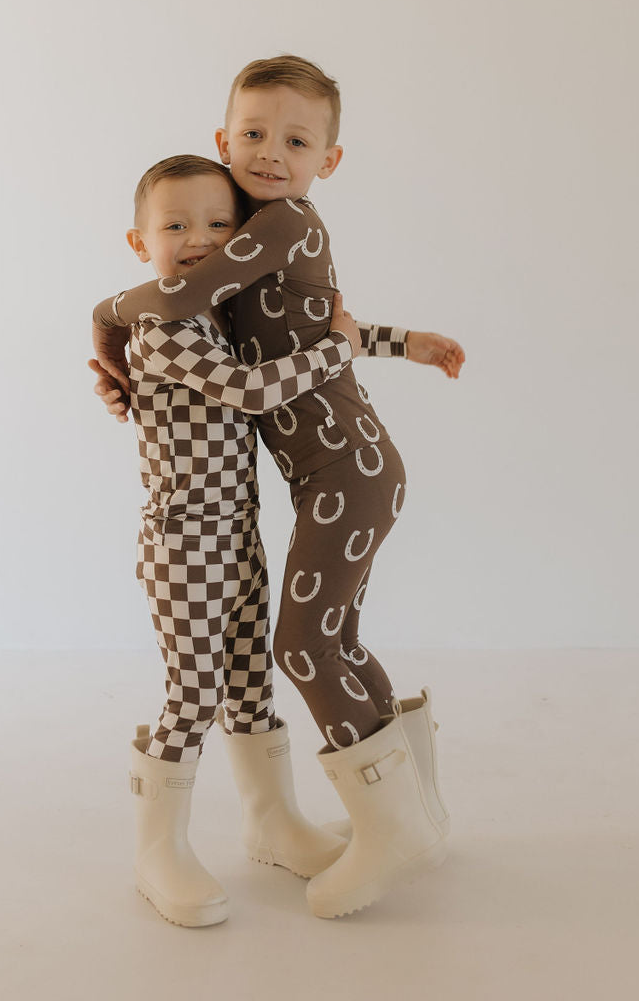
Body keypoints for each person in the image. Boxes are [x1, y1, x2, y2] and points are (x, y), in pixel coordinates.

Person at [91, 57, 465, 919]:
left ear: (327, 160)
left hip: (338, 478)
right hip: (206, 529)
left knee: (302, 647)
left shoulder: (274, 231)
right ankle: (351, 819)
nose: (270, 152)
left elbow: (267, 339)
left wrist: (107, 315)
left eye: (295, 139)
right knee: (249, 667)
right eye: (253, 136)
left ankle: (388, 826)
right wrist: (399, 341)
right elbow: (289, 337)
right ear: (225, 144)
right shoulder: (203, 305)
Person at [112, 151, 364, 928]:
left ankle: (271, 822)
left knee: (250, 683)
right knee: (192, 696)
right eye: (176, 225)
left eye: (220, 224)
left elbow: (309, 326)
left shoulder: (219, 313)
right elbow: (253, 388)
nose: (199, 239)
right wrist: (335, 350)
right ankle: (158, 850)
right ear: (139, 240)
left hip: (239, 536)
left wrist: (402, 341)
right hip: (186, 545)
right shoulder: (160, 331)